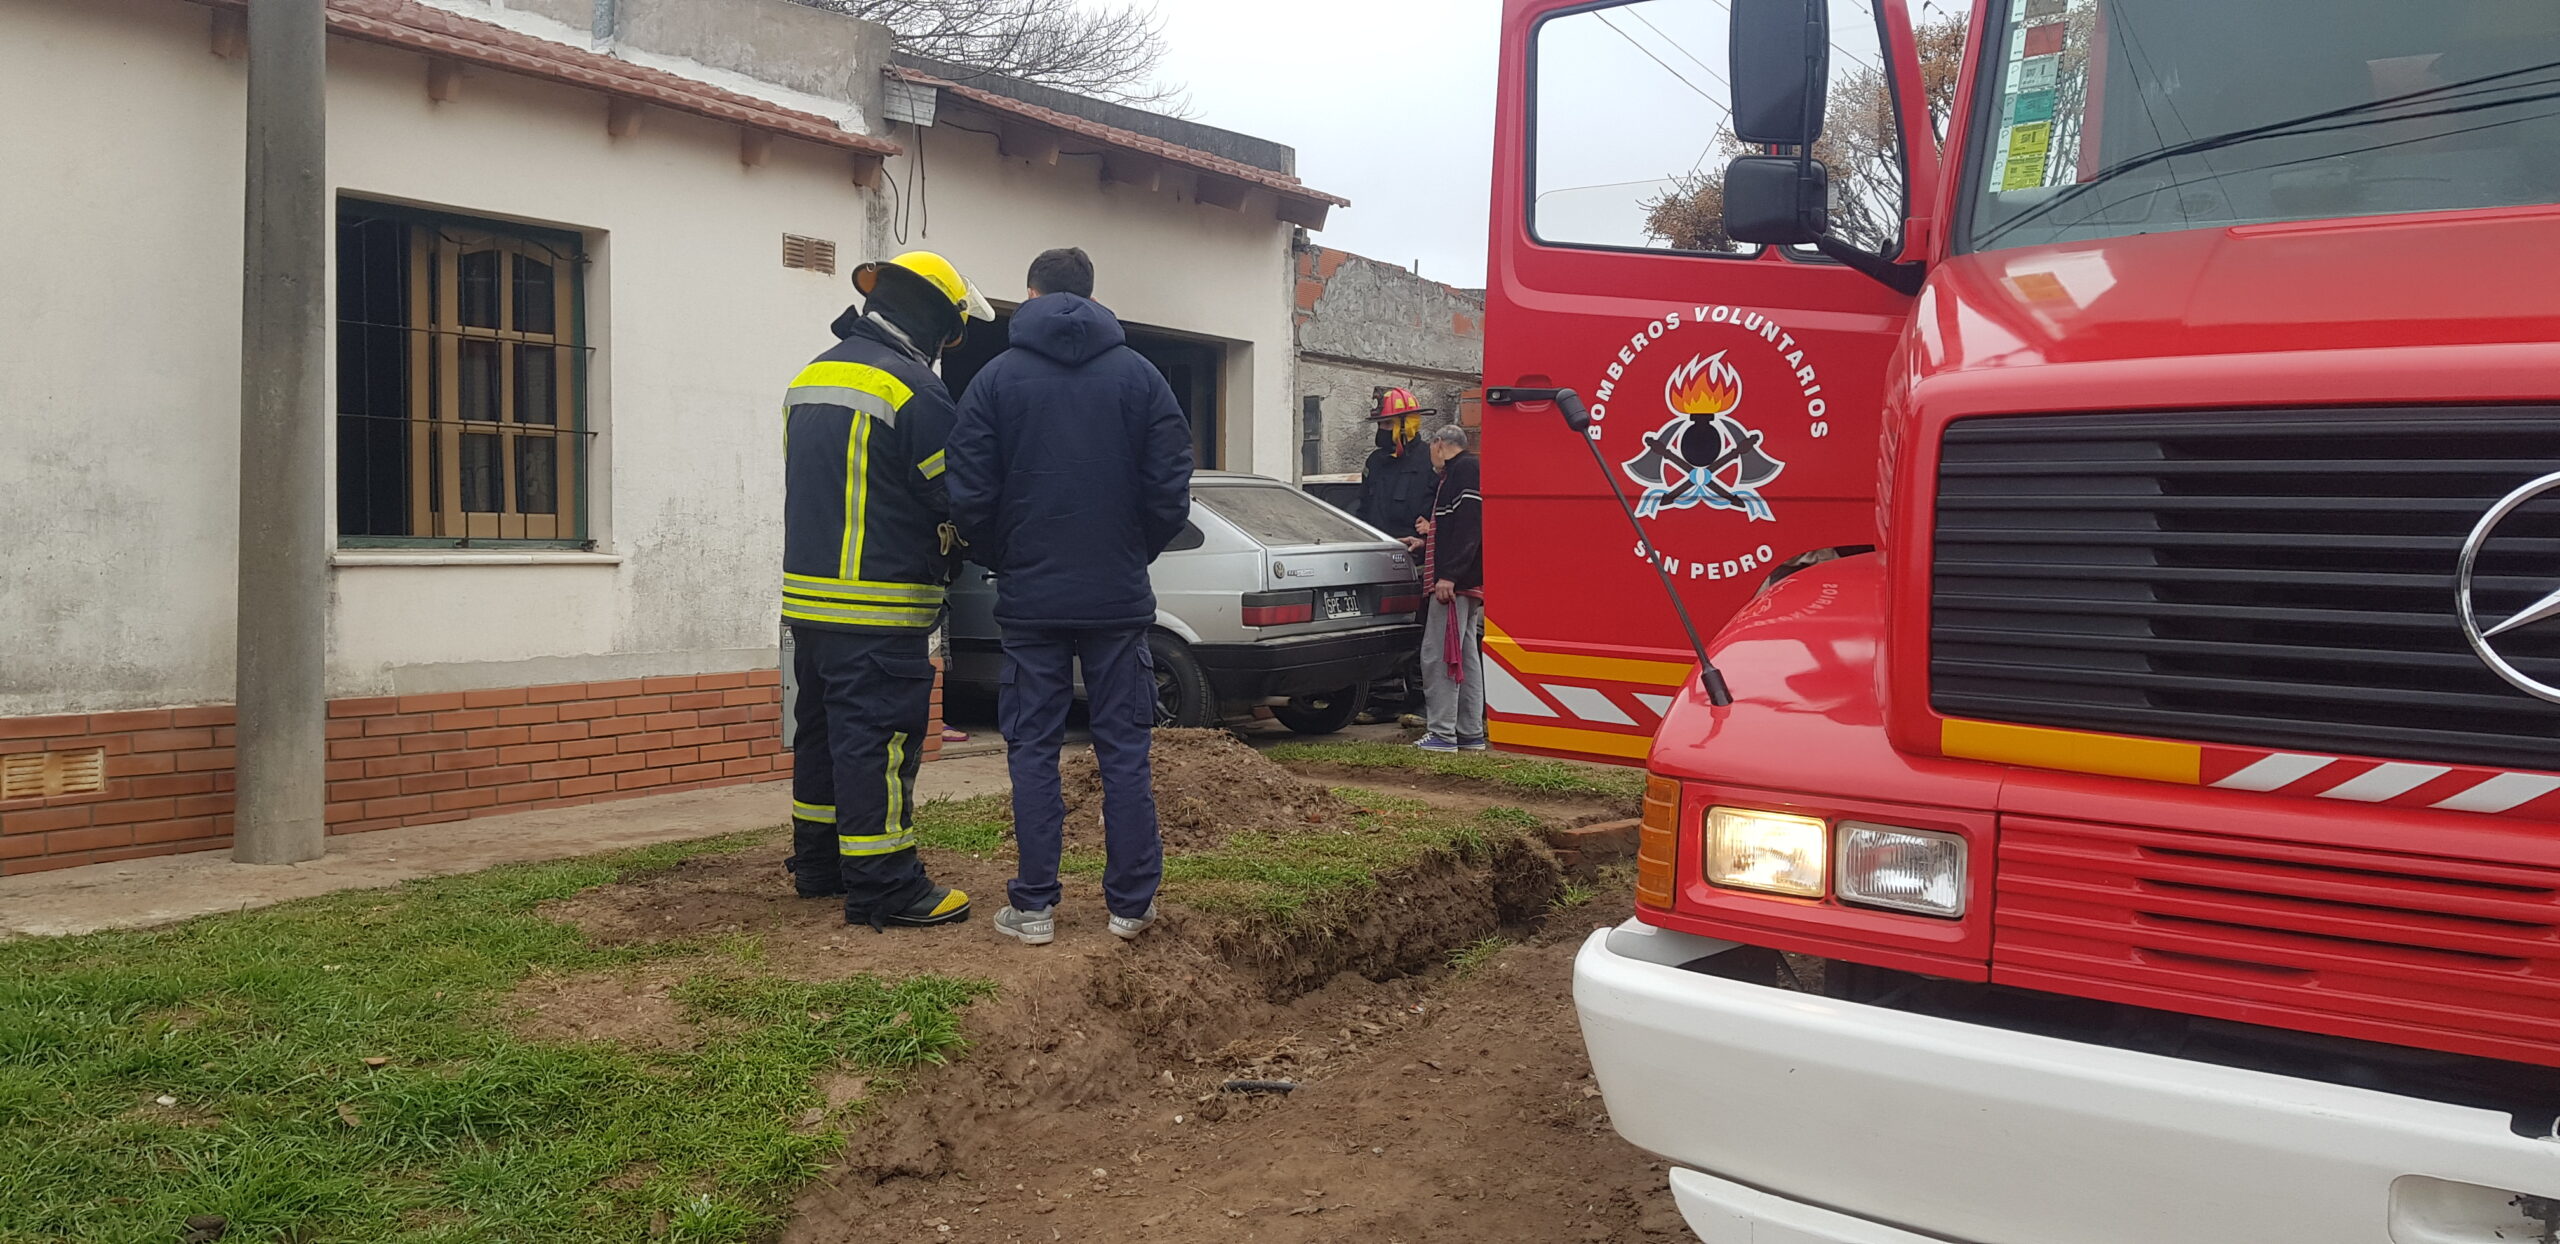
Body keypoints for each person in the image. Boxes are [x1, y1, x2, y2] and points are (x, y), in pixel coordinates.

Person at [948, 247, 1193, 947]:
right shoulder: (1141, 377)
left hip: (1031, 601)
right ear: (1091, 295)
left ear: (1030, 294)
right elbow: (1170, 487)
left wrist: (1006, 556)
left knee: (1032, 747)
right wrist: (1131, 551)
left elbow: (968, 491)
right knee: (1124, 747)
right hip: (1117, 598)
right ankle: (1131, 906)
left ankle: (1034, 907)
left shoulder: (995, 379)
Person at [783, 250, 993, 930]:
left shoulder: (813, 375)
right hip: (879, 610)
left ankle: (819, 865)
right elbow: (957, 498)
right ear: (936, 322)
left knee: (823, 738)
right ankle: (886, 887)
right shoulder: (913, 390)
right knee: (879, 745)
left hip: (810, 606)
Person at [1413, 424, 1485, 752]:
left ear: (1440, 443)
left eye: (1431, 447)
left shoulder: (1463, 470)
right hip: (1465, 583)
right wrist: (1428, 539)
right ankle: (1469, 731)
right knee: (1465, 656)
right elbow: (1457, 526)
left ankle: (1442, 732)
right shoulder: (1461, 472)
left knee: (1440, 655)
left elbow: (1470, 526)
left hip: (1454, 584)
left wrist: (1450, 575)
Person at [1354, 388, 1436, 552]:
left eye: (1387, 423)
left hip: (1414, 554)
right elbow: (1364, 509)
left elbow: (1449, 515)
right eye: (1379, 424)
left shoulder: (1431, 460)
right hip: (1377, 551)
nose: (1381, 429)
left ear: (1407, 425)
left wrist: (1430, 534)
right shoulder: (1374, 461)